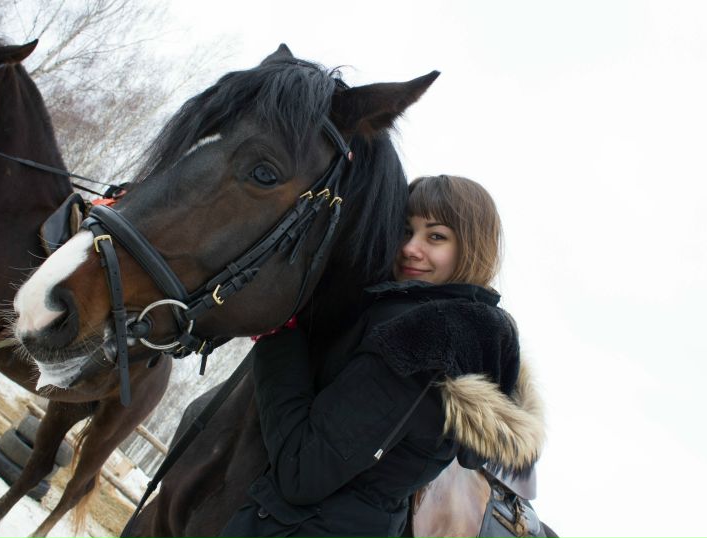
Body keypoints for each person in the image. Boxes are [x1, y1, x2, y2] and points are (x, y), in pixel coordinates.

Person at [219, 175, 545, 538]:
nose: (410, 248)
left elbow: (302, 470)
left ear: (471, 248)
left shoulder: (427, 335)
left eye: (436, 237)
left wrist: (279, 335)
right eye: (405, 231)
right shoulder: (419, 323)